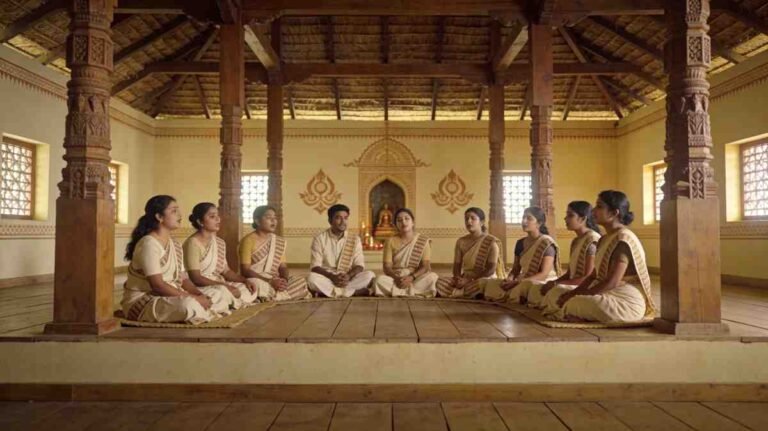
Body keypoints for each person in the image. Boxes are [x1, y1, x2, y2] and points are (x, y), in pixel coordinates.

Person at [543, 190, 656, 323]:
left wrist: (576, 296)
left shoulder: (623, 239)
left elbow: (612, 282)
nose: (593, 211)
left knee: (576, 302)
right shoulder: (604, 239)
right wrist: (572, 293)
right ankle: (576, 314)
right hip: (606, 293)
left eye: (599, 206)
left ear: (614, 213)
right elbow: (593, 276)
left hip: (625, 301)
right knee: (557, 293)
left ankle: (575, 313)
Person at [121, 195, 231, 324]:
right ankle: (201, 310)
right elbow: (157, 285)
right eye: (174, 211)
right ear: (159, 217)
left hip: (172, 295)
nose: (179, 214)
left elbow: (183, 279)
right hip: (146, 299)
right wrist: (193, 298)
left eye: (178, 210)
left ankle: (201, 309)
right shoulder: (148, 244)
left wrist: (199, 295)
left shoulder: (175, 244)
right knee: (187, 305)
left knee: (219, 292)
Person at [526, 201, 601, 308]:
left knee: (555, 292)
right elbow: (569, 273)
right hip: (571, 283)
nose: (565, 218)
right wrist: (554, 282)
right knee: (536, 289)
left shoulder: (592, 240)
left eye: (570, 215)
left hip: (584, 286)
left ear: (583, 219)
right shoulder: (576, 241)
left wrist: (556, 285)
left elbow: (587, 278)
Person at [183, 202, 259, 308]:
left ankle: (228, 302)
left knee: (252, 285)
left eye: (217, 216)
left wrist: (245, 280)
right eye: (212, 216)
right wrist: (224, 286)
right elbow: (196, 278)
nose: (218, 219)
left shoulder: (219, 242)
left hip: (218, 283)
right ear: (200, 221)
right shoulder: (193, 243)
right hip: (202, 286)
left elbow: (226, 271)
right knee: (220, 293)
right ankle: (227, 302)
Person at [483, 207, 561, 303]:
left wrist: (517, 282)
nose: (524, 221)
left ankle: (515, 296)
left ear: (539, 223)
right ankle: (515, 296)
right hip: (522, 280)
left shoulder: (546, 243)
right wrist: (509, 278)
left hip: (539, 281)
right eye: (523, 218)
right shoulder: (520, 243)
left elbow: (544, 274)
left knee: (522, 288)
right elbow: (516, 269)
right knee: (491, 284)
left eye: (529, 218)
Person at [239, 205, 312, 302]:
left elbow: (283, 267)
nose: (273, 221)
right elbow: (245, 270)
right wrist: (269, 281)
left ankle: (268, 297)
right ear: (257, 221)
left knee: (300, 281)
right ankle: (279, 296)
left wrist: (284, 280)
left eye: (275, 218)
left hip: (274, 279)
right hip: (258, 279)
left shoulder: (278, 241)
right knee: (254, 284)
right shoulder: (248, 240)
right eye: (269, 218)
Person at [307, 204, 375, 297]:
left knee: (370, 275)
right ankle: (353, 292)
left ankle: (328, 292)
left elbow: (359, 265)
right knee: (311, 278)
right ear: (330, 221)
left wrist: (348, 276)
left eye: (346, 218)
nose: (343, 222)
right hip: (328, 278)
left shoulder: (355, 239)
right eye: (338, 218)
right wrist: (332, 277)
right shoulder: (319, 239)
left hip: (348, 279)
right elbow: (315, 267)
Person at [436, 207, 505, 298]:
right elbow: (457, 266)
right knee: (440, 282)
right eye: (466, 219)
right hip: (465, 278)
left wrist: (469, 280)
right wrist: (458, 279)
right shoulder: (461, 241)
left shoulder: (491, 242)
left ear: (482, 222)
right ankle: (470, 293)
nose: (469, 221)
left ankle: (463, 292)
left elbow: (491, 269)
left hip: (483, 278)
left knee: (483, 284)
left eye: (473, 218)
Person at [373, 208, 439, 297]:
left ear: (413, 222)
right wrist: (396, 278)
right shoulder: (390, 241)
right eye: (399, 220)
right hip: (397, 277)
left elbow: (425, 265)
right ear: (396, 224)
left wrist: (411, 277)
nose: (403, 222)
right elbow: (387, 267)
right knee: (379, 280)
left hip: (415, 277)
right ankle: (414, 292)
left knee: (432, 277)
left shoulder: (423, 240)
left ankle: (399, 292)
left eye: (406, 219)